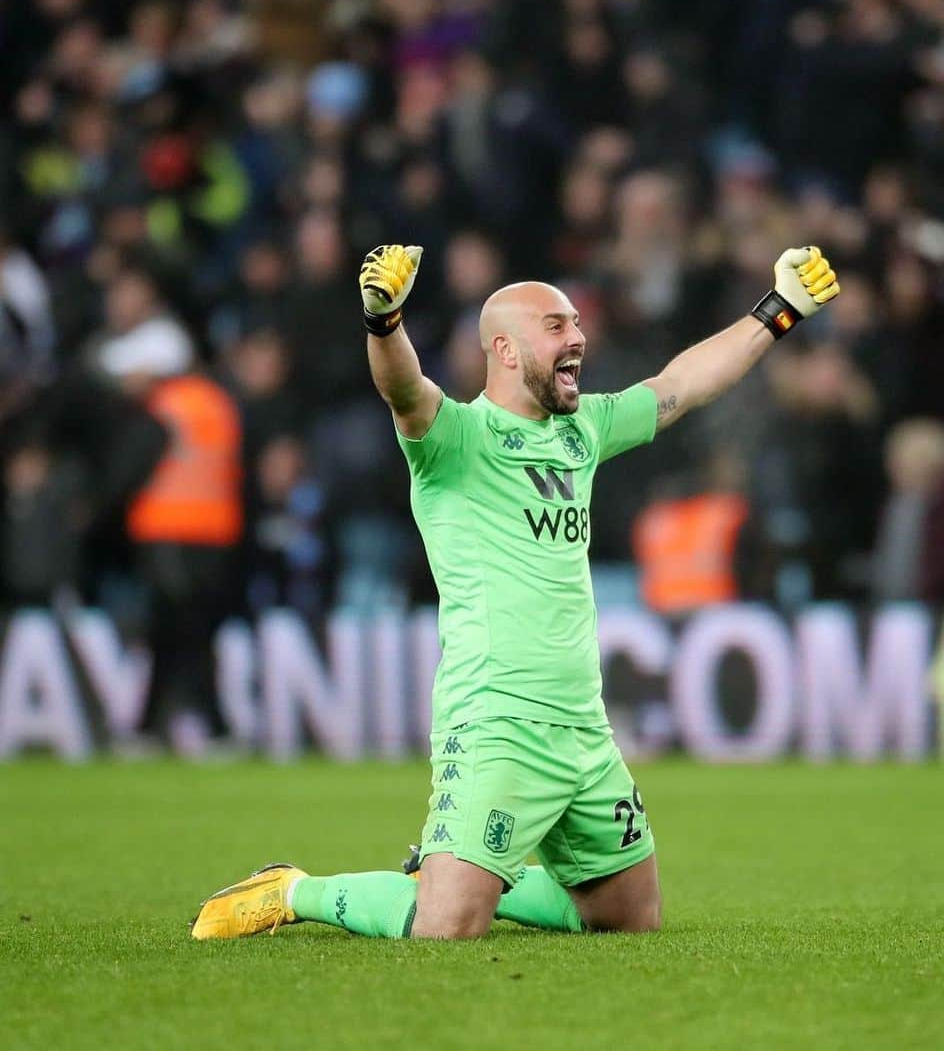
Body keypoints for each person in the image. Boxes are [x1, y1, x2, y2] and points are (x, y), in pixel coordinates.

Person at [190, 240, 840, 941]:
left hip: (583, 726)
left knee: (628, 918)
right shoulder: (456, 439)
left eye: (578, 326)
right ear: (504, 349)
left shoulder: (582, 430)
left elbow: (682, 384)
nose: (579, 338)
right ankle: (296, 890)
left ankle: (450, 869)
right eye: (557, 326)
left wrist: (777, 312)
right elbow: (403, 389)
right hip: (496, 719)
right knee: (445, 928)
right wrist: (385, 322)